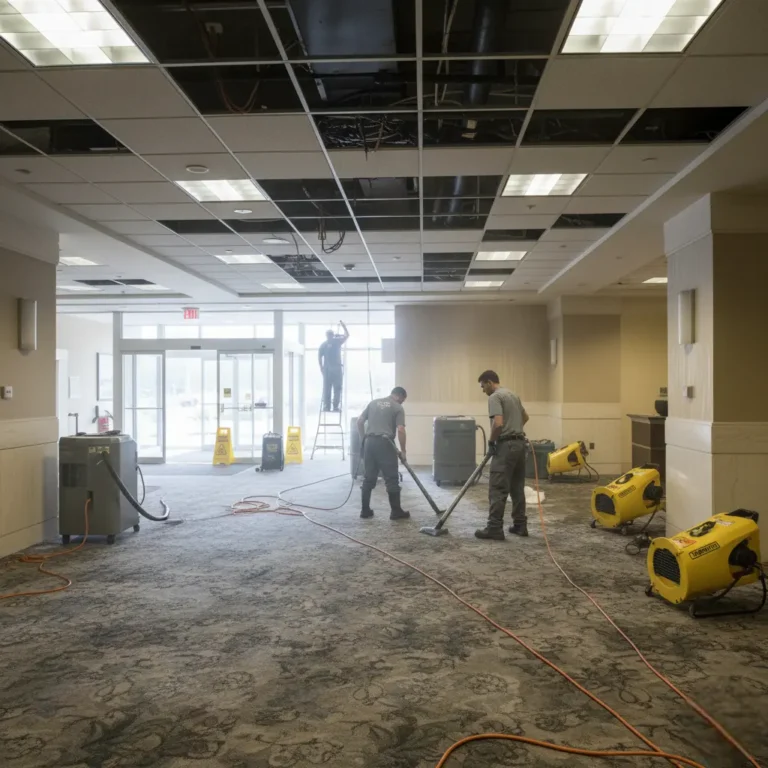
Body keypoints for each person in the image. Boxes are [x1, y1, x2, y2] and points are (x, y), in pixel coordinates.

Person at [475, 370, 529, 541]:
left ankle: (494, 528)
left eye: (483, 386)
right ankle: (520, 525)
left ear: (490, 382)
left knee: (498, 488)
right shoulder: (513, 395)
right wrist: (514, 429)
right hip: (520, 445)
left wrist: (492, 441)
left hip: (506, 446)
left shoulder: (495, 397)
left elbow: (497, 424)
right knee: (517, 487)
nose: (483, 390)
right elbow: (525, 417)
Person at [357, 387, 410, 520]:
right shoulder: (397, 407)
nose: (402, 403)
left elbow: (359, 421)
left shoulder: (373, 403)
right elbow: (401, 429)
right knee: (391, 478)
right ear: (399, 395)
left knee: (369, 478)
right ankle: (396, 512)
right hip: (385, 444)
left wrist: (363, 439)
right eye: (402, 400)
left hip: (369, 443)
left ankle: (365, 510)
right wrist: (403, 451)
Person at [318, 321, 349, 412]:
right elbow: (319, 357)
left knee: (332, 388)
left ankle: (330, 406)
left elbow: (319, 357)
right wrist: (321, 367)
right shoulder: (335, 342)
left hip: (331, 369)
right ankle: (330, 406)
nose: (330, 337)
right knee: (332, 388)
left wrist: (321, 367)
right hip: (332, 369)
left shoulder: (332, 343)